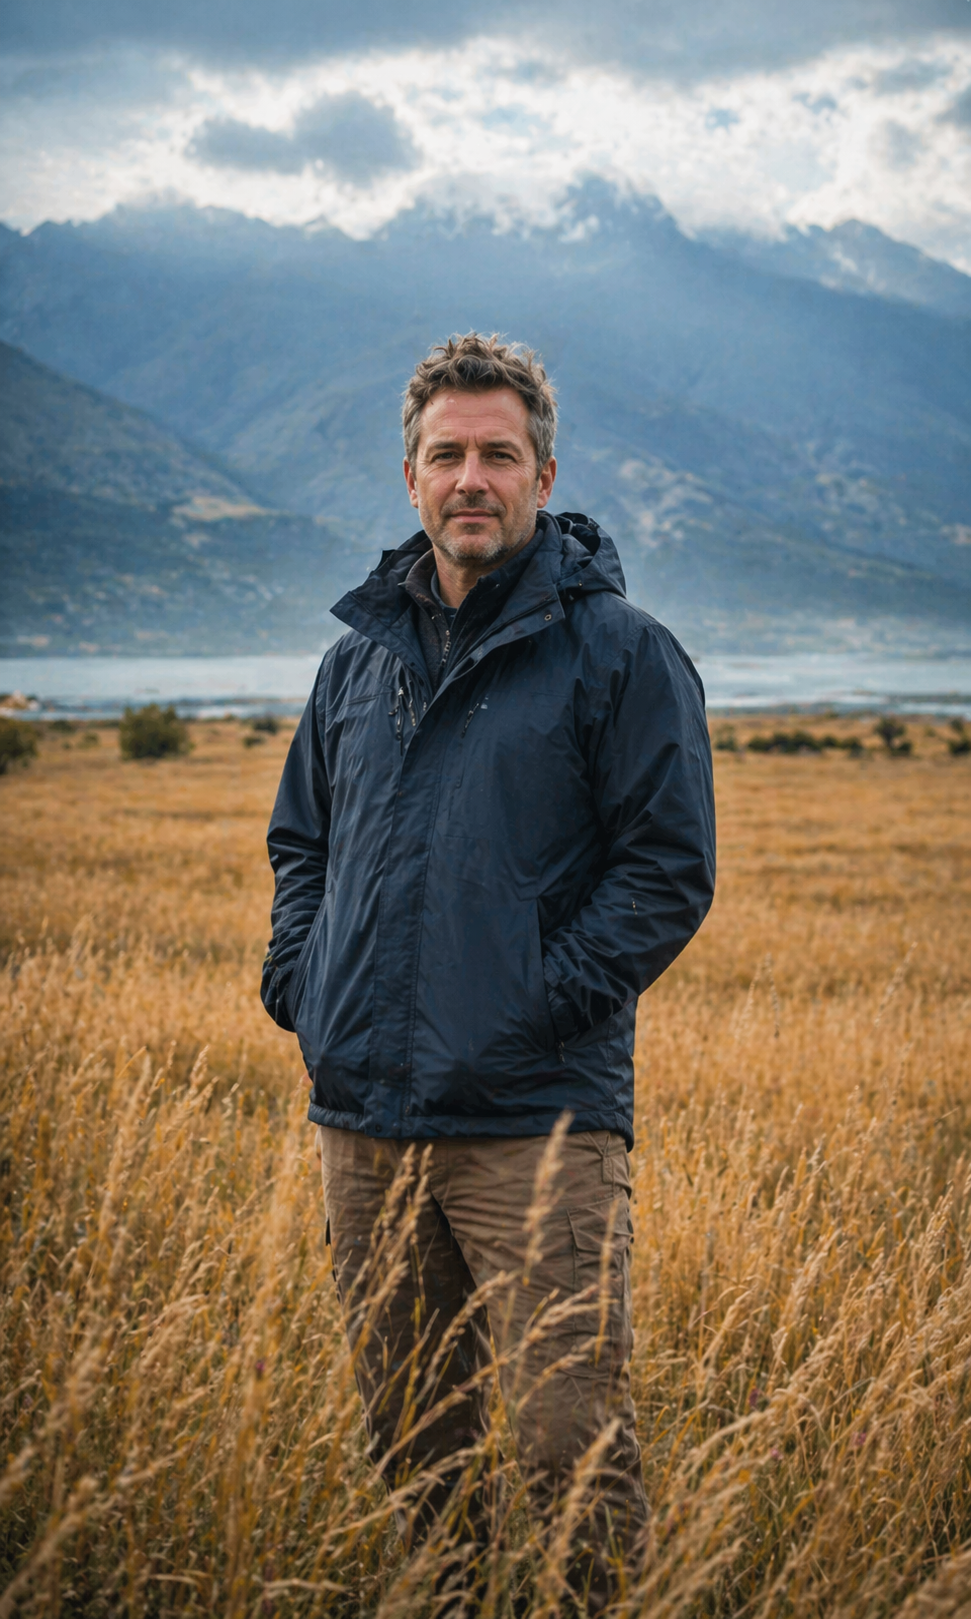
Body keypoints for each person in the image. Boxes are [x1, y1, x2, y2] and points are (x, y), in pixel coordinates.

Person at [261, 332, 716, 1609]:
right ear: (409, 477)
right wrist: (307, 986)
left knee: (570, 1444)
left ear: (544, 475)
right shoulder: (354, 661)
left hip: (534, 1124)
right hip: (363, 1119)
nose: (472, 476)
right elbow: (302, 839)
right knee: (414, 1445)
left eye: (497, 455)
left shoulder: (622, 653)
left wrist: (527, 1010)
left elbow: (665, 870)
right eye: (446, 453)